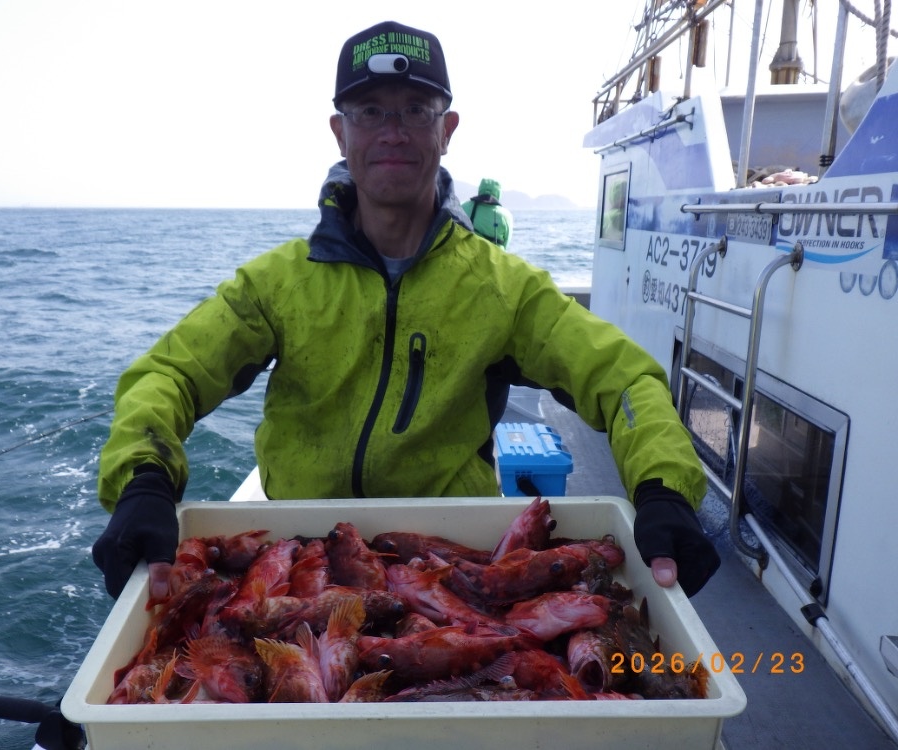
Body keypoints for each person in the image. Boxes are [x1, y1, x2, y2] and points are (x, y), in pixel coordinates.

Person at [92, 20, 719, 605]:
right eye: (369, 111)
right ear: (340, 132)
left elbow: (624, 379)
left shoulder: (503, 289)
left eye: (416, 110)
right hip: (301, 559)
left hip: (458, 567)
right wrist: (144, 481)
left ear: (447, 130)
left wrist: (662, 489)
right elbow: (170, 374)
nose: (392, 131)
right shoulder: (277, 284)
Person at [462, 178, 513, 248]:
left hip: (467, 251)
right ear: (498, 193)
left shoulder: (463, 207)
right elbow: (506, 243)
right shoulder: (506, 216)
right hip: (494, 254)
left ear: (480, 189)